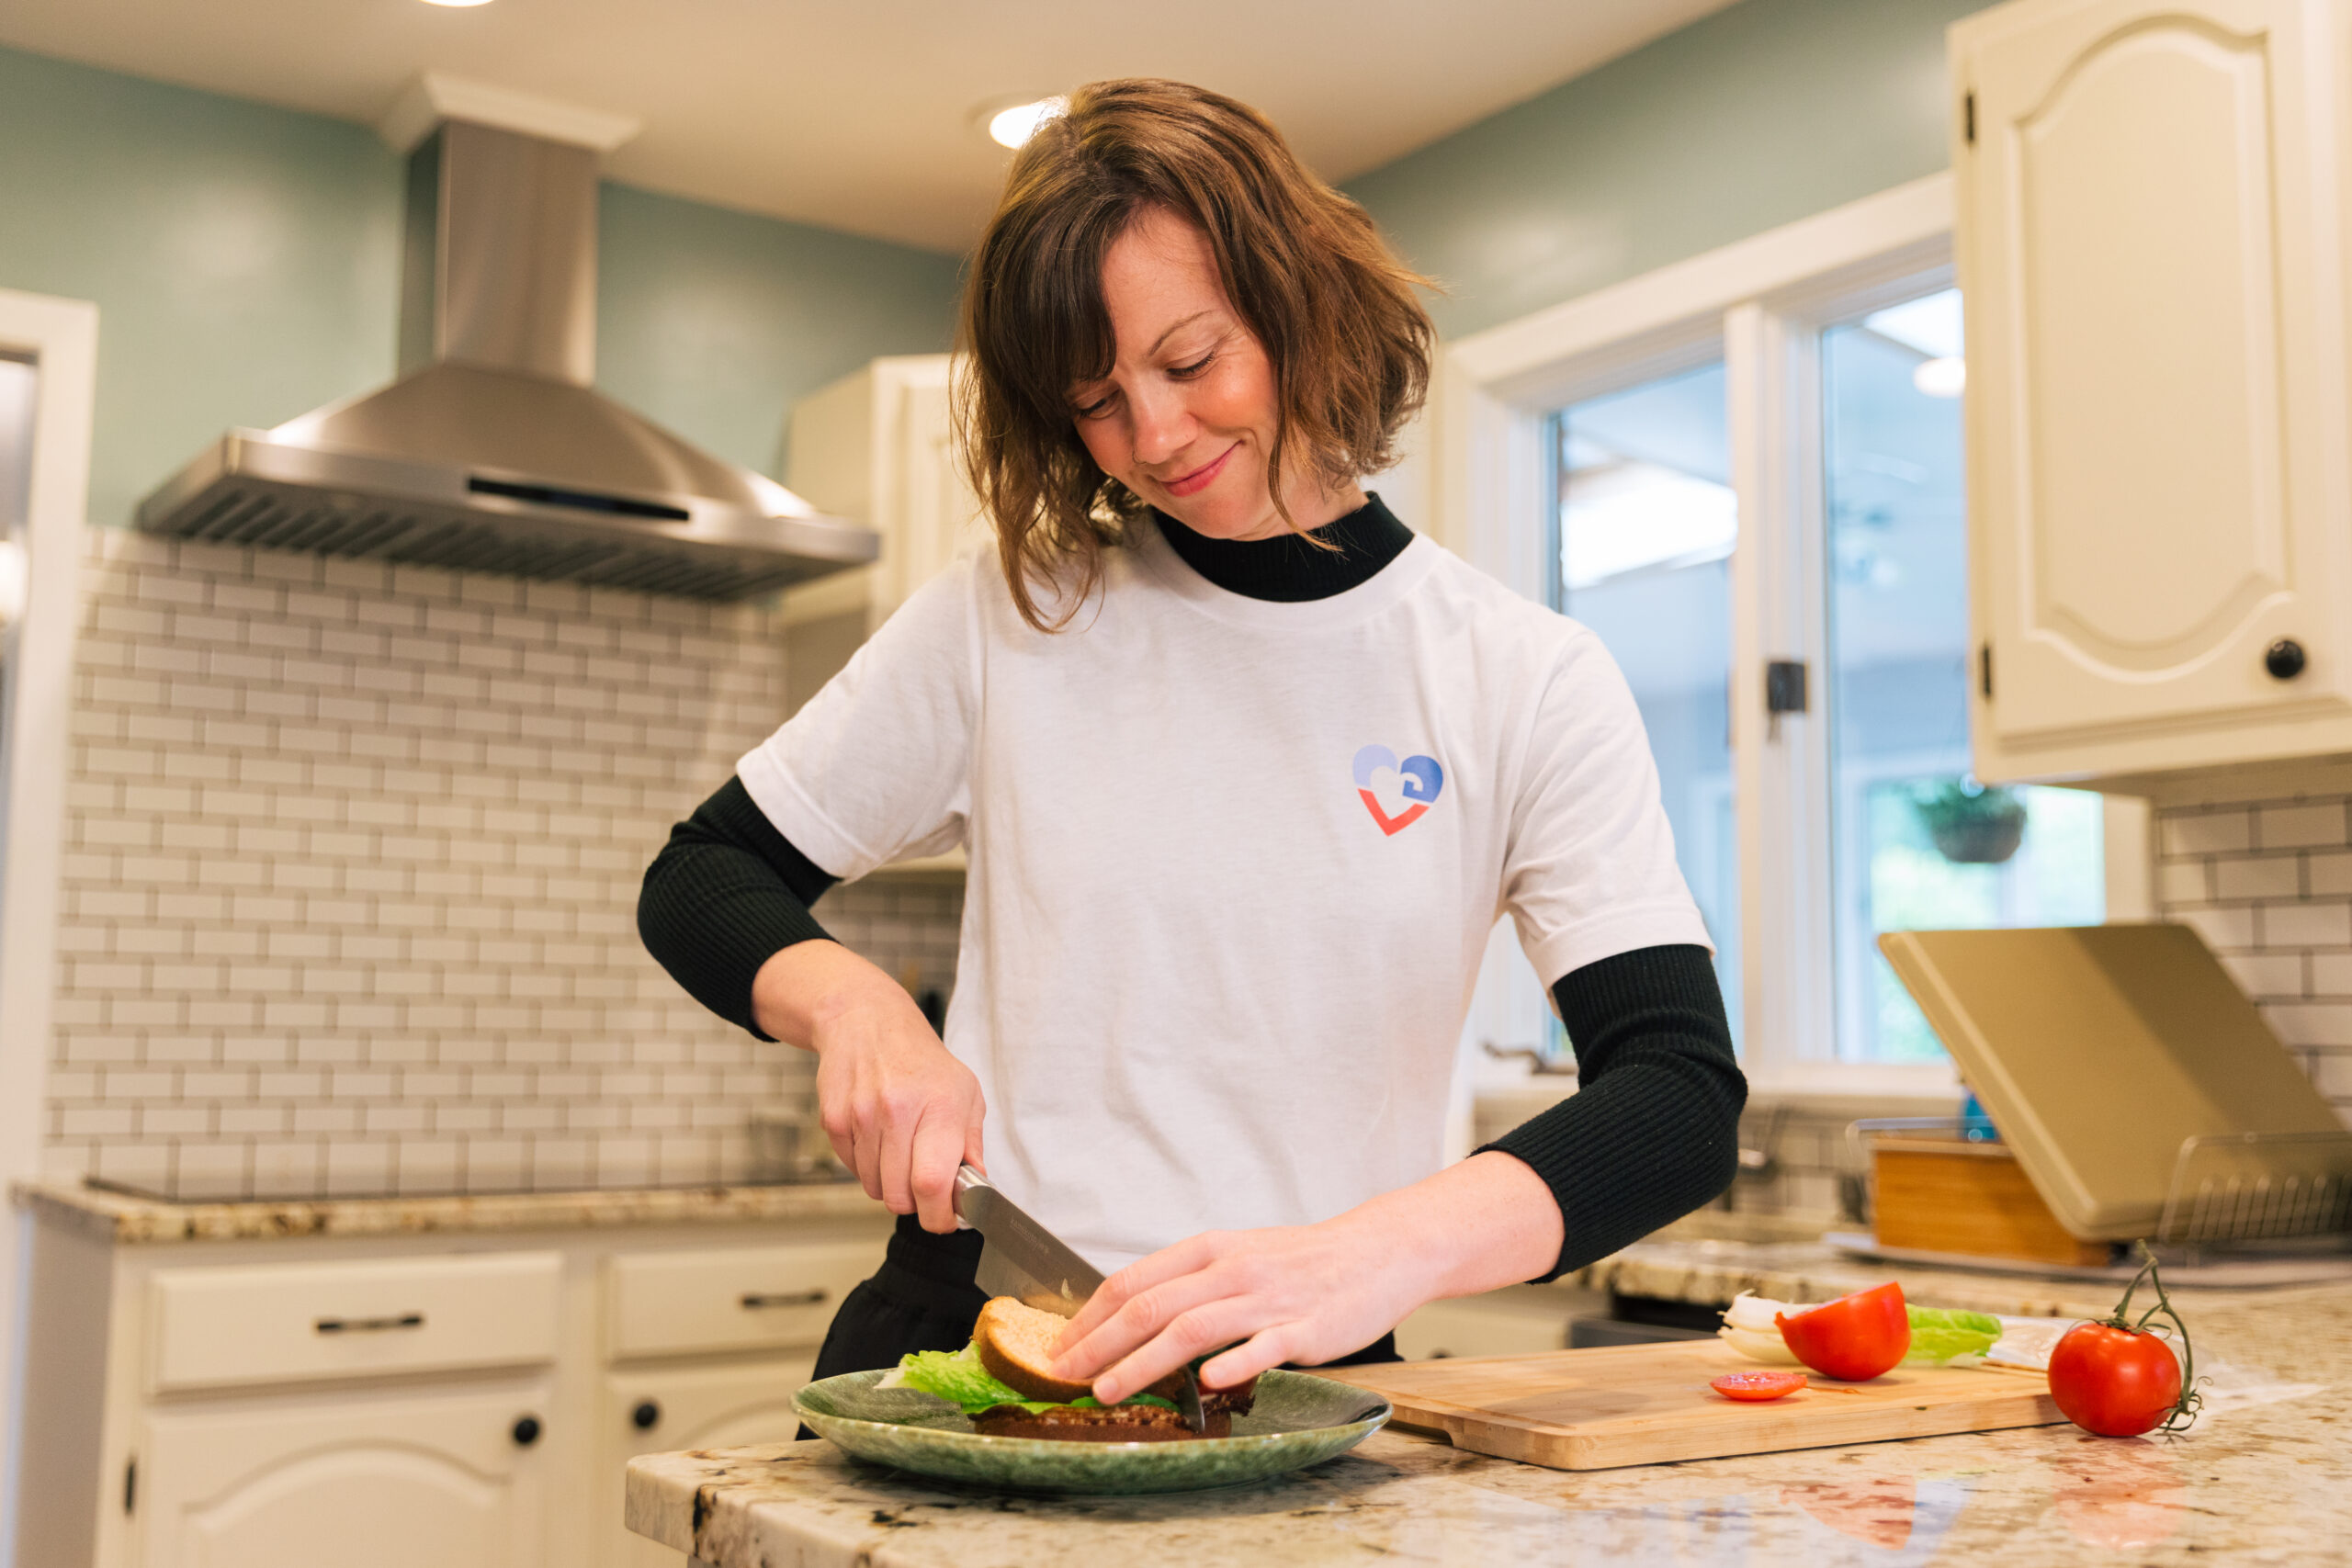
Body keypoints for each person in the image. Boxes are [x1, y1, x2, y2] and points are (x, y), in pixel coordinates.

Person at [639, 77, 1745, 1405]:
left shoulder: (1522, 676)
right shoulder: (1014, 613)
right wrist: (855, 1008)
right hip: (972, 1337)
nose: (1154, 437)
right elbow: (703, 874)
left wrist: (1369, 1256)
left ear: (1301, 307)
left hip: (1299, 1384)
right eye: (1096, 400)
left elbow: (1678, 1094)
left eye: (1189, 362)